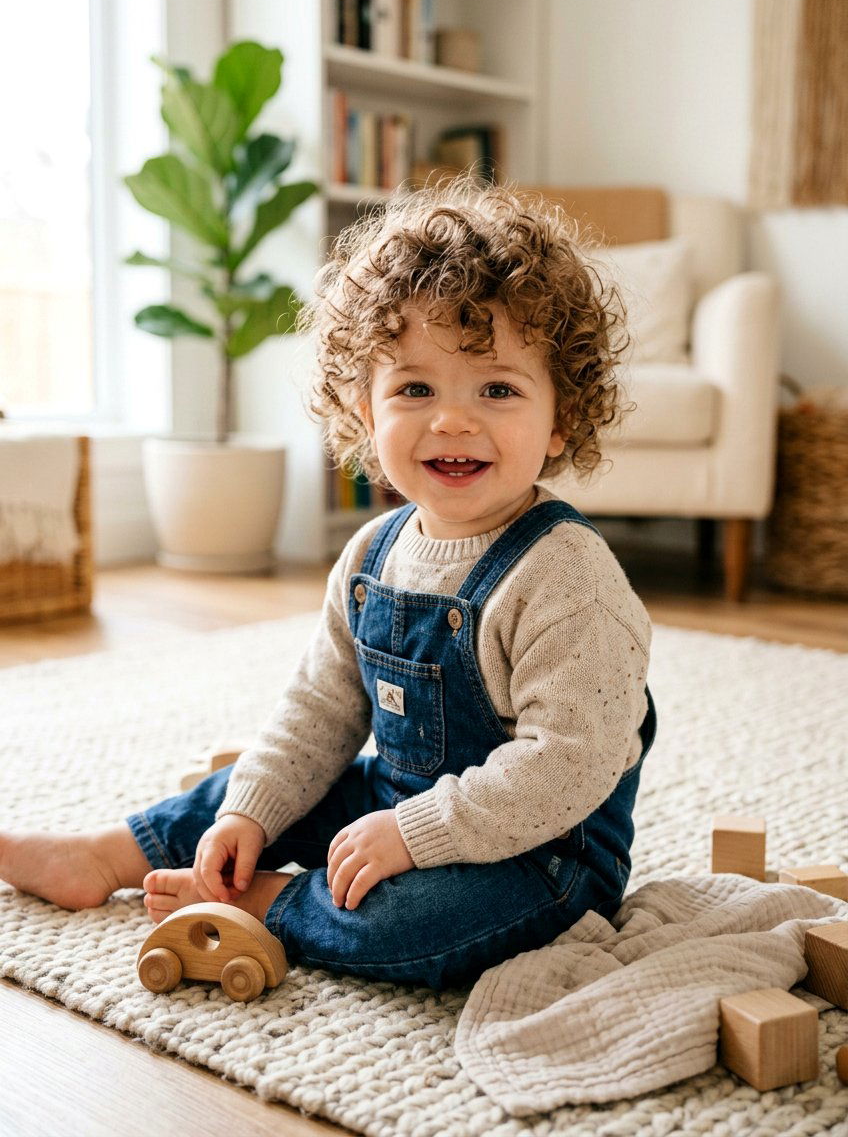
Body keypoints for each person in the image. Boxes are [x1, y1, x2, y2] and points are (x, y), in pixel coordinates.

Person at [0, 175, 656, 991]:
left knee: (415, 924)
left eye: (498, 389)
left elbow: (570, 764)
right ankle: (109, 854)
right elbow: (319, 708)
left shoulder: (566, 576)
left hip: (541, 855)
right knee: (251, 789)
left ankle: (278, 903)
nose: (452, 420)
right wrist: (254, 811)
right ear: (363, 410)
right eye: (414, 388)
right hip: (395, 797)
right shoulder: (371, 555)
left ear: (561, 416)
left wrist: (413, 838)